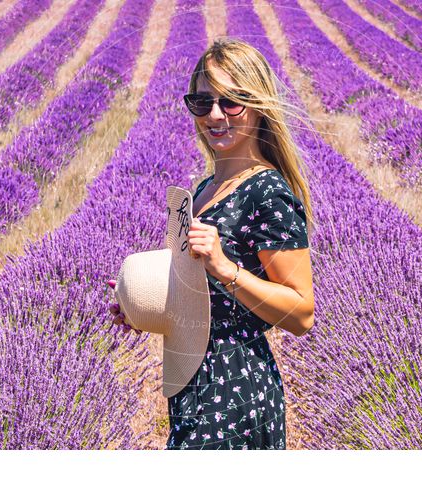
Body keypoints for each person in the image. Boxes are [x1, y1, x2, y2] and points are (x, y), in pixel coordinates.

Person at [108, 38, 315, 449]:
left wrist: (225, 268)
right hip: (192, 383)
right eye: (202, 103)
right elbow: (203, 300)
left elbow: (301, 313)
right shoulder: (206, 188)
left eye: (232, 102)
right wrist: (146, 306)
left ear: (258, 106)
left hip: (235, 392)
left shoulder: (266, 192)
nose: (215, 115)